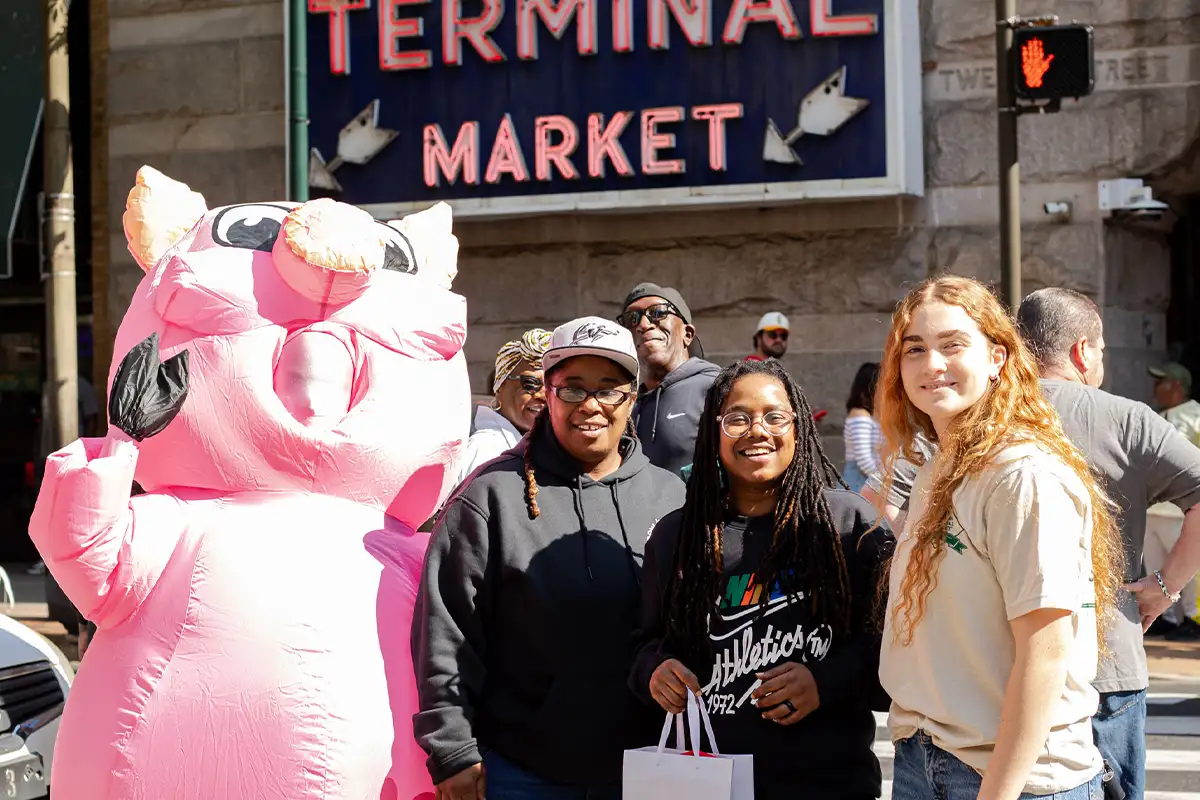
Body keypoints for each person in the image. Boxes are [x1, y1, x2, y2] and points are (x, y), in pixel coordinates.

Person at [865, 286, 1200, 800]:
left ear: (998, 357)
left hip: (1013, 778)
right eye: (914, 348)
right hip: (926, 755)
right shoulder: (940, 465)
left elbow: (1045, 653)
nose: (932, 363)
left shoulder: (1022, 473)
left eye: (953, 344)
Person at [412, 316, 687, 800]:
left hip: (650, 770)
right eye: (573, 388)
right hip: (524, 773)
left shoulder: (670, 496)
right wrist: (452, 750)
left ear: (631, 397)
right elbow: (448, 631)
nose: (592, 405)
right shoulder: (491, 495)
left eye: (609, 389)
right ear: (549, 394)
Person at [630, 359, 893, 799]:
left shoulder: (848, 524)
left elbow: (893, 655)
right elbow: (646, 645)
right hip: (708, 784)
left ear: (798, 428)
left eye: (774, 417)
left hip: (828, 784)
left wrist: (823, 682)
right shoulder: (678, 535)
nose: (757, 430)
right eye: (737, 418)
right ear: (714, 433)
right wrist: (655, 671)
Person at [618, 283, 720, 477]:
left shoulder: (717, 387)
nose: (643, 324)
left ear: (687, 334)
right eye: (632, 318)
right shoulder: (624, 404)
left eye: (658, 312)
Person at [451, 328, 551, 487]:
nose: (543, 396)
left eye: (552, 387)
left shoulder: (539, 445)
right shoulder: (487, 449)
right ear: (500, 387)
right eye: (531, 384)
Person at [1145, 361, 1200, 639]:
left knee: (1189, 567)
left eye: (1161, 381)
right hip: (1154, 508)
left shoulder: (1195, 415)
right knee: (1157, 567)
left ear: (1176, 385)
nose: (1156, 388)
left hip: (1182, 509)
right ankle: (1168, 617)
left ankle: (1193, 617)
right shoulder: (1155, 415)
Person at [841, 363, 882, 493]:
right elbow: (863, 460)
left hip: (871, 480)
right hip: (860, 481)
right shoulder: (860, 414)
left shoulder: (872, 415)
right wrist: (885, 482)